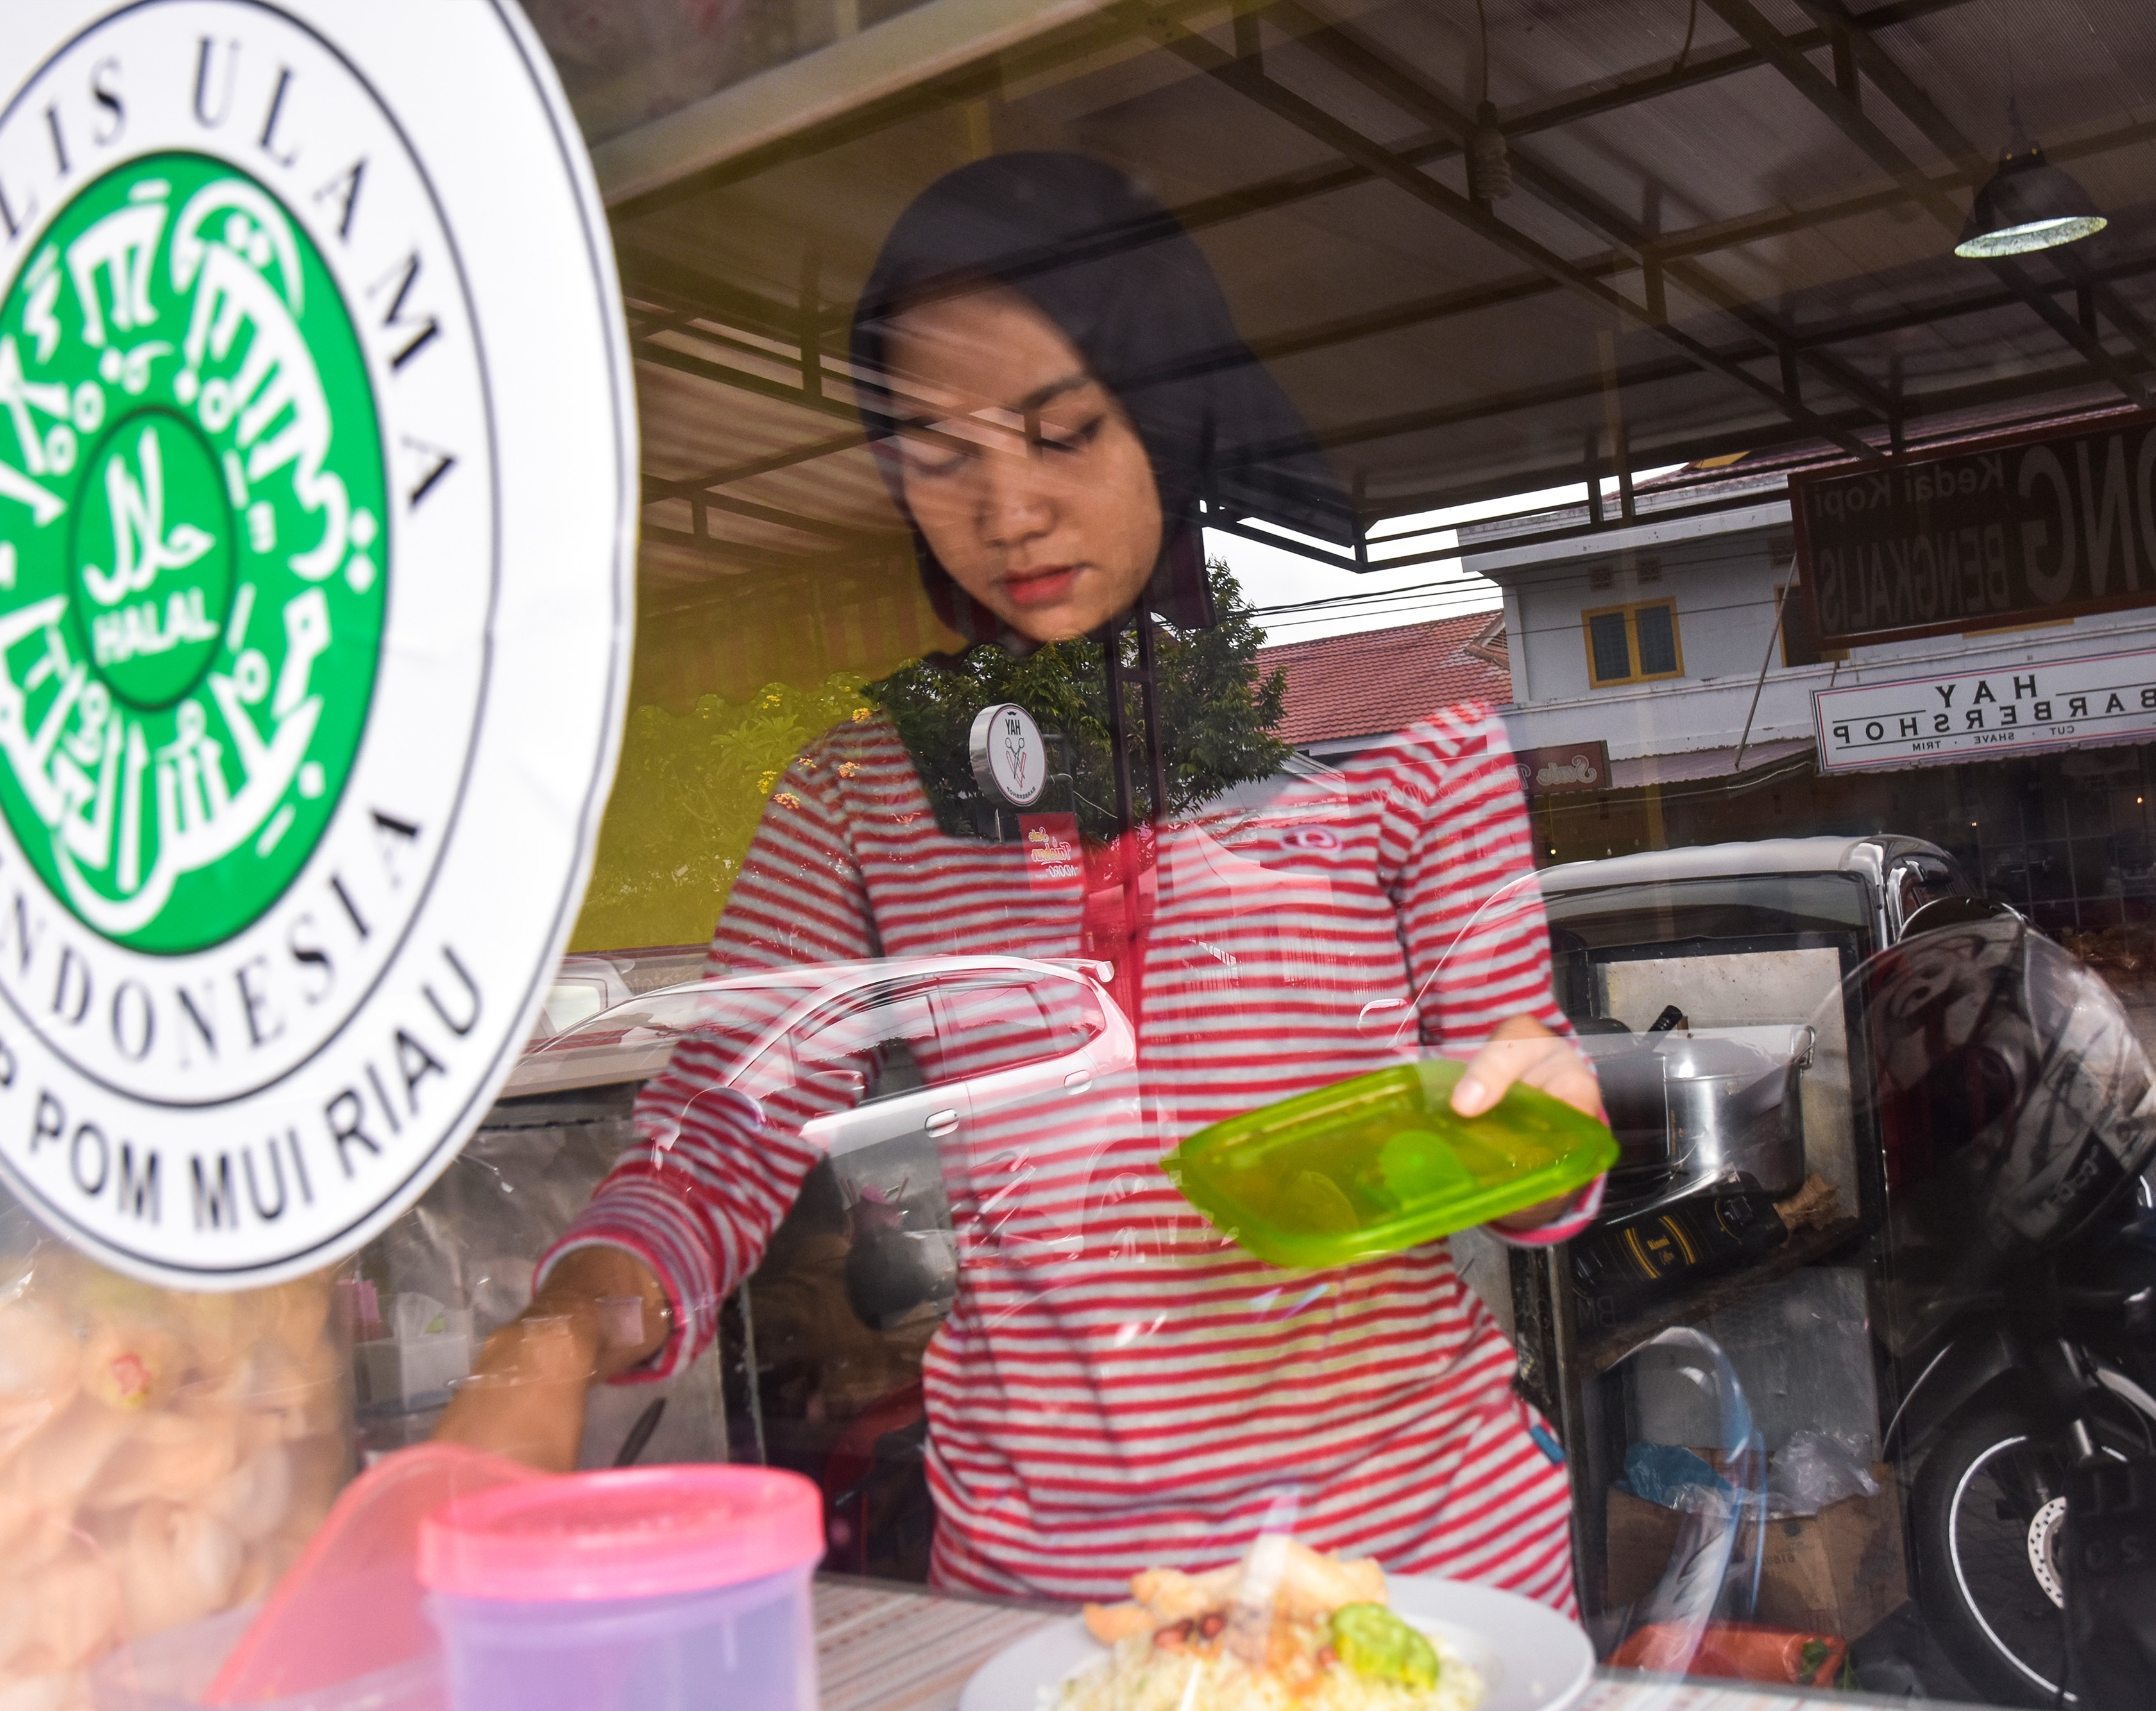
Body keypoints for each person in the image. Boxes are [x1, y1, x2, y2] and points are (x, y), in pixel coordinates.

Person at [437, 153, 1608, 1610]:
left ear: (1169, 422)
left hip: (1419, 1560)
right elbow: (723, 1133)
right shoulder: (865, 791)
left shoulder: (1406, 739)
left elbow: (1521, 1130)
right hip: (1052, 1597)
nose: (1007, 511)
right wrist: (553, 1334)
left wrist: (1548, 1127)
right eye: (940, 455)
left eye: (1062, 434)